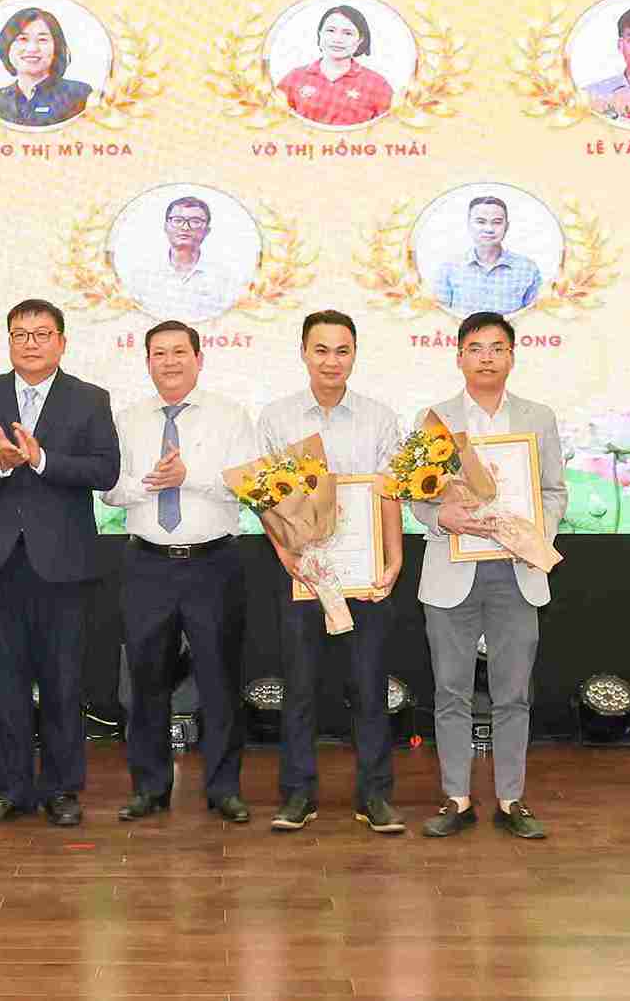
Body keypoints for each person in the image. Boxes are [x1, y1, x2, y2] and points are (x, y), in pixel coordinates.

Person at [0, 299, 121, 826]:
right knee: (4, 682)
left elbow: (106, 470)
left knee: (64, 681)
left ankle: (63, 789)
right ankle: (11, 788)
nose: (30, 342)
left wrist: (43, 460)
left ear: (61, 341)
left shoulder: (90, 399)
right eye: (19, 334)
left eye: (41, 333)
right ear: (8, 341)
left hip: (64, 564)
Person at [410, 311, 568, 843]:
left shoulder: (538, 417)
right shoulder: (432, 418)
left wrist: (531, 532)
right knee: (451, 691)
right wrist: (441, 516)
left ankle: (511, 797)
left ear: (511, 357)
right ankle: (455, 797)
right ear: (458, 356)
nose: (486, 358)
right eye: (475, 348)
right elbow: (415, 497)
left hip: (515, 571)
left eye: (497, 348)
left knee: (513, 693)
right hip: (452, 571)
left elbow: (554, 492)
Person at [256, 309, 406, 835]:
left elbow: (389, 493)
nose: (331, 361)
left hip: (365, 577)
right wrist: (285, 556)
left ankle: (375, 797)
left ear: (354, 356)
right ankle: (298, 795)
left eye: (342, 351)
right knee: (300, 688)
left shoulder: (379, 418)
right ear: (303, 352)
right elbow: (267, 500)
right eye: (321, 350)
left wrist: (395, 558)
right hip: (302, 573)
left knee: (368, 686)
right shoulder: (277, 419)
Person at [102, 320, 257, 825]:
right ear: (146, 361)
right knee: (146, 680)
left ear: (198, 357)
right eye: (158, 354)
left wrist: (189, 477)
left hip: (214, 562)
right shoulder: (127, 419)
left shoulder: (231, 416)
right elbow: (110, 491)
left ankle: (224, 789)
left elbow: (245, 485)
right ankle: (149, 787)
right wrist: (149, 483)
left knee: (219, 679)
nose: (169, 362)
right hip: (147, 562)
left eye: (178, 352)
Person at [124, 194, 242, 323]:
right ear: (166, 226)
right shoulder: (141, 275)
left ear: (207, 231)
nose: (185, 227)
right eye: (177, 220)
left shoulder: (225, 278)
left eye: (195, 221)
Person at [276, 3, 394, 127]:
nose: (337, 39)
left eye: (348, 33)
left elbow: (390, 131)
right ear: (320, 34)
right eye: (331, 30)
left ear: (360, 40)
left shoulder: (377, 85)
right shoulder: (294, 78)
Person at [0, 7, 94, 127]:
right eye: (22, 39)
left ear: (57, 47)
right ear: (6, 46)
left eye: (42, 40)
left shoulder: (79, 95)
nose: (32, 49)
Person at [429, 196, 542, 315]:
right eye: (481, 222)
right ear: (469, 224)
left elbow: (534, 317)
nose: (489, 229)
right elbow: (440, 316)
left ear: (507, 226)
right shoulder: (449, 268)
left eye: (497, 222)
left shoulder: (528, 269)